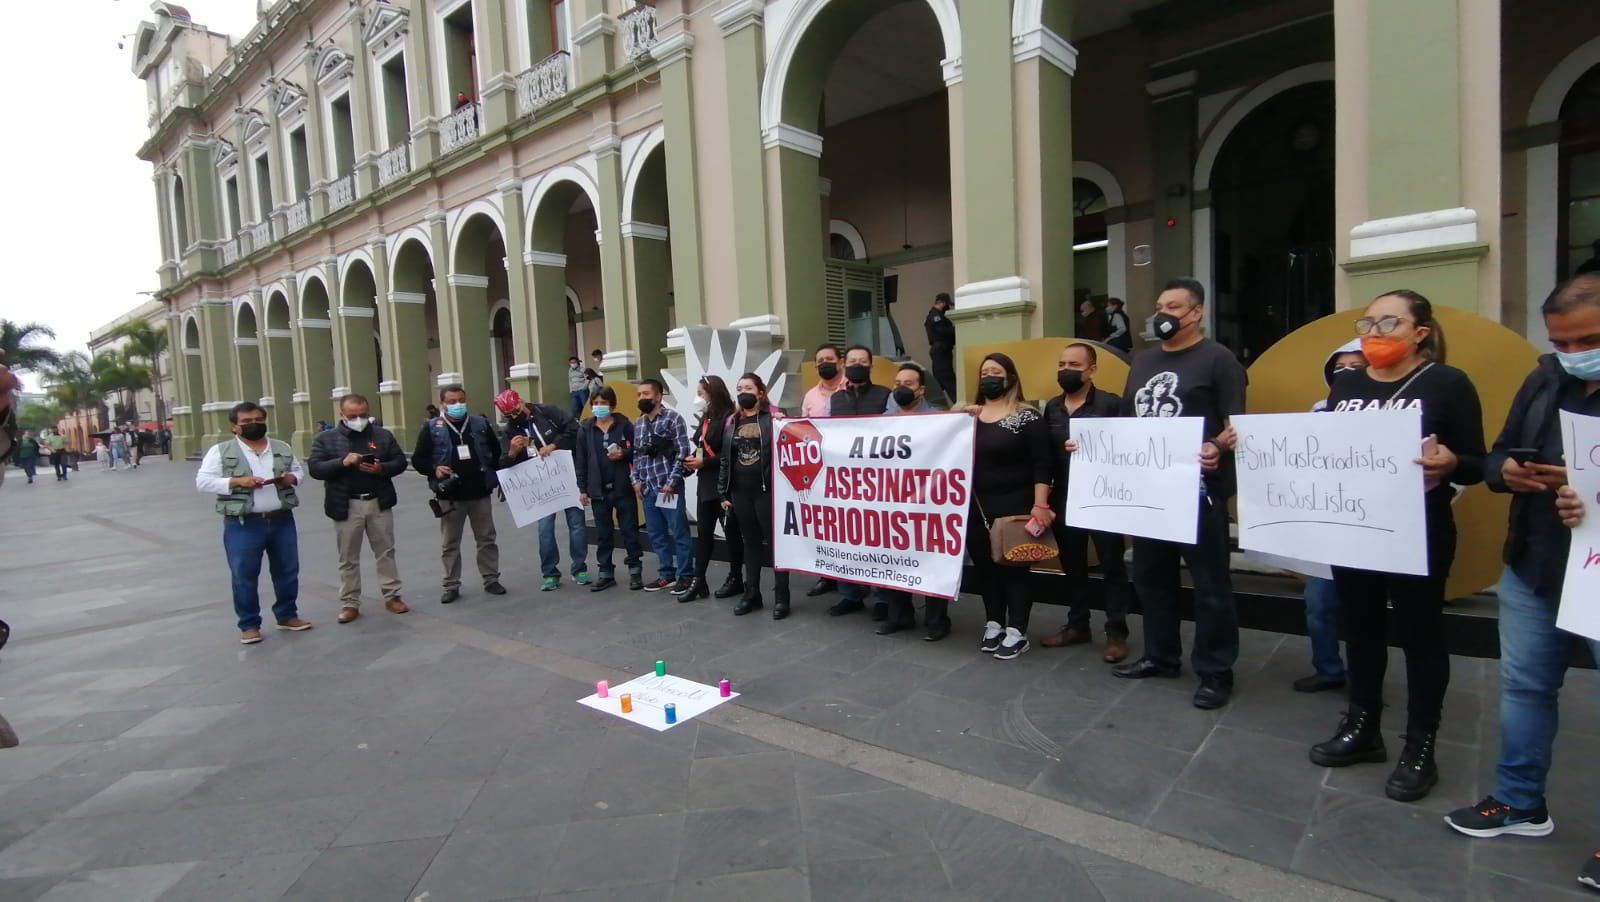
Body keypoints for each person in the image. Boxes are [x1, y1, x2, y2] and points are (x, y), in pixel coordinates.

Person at [1443, 275, 1600, 864]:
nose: (1574, 354)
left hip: (1597, 572)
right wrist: (1505, 471)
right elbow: (1500, 450)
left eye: (1587, 339)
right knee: (1526, 688)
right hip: (1534, 564)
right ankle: (1518, 802)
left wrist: (1590, 488)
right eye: (1561, 342)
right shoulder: (1545, 379)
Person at [1310, 289, 1484, 803]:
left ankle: (1419, 745)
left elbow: (1477, 460)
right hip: (1356, 527)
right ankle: (1362, 728)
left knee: (1420, 635)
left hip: (1419, 530)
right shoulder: (1348, 384)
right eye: (1368, 323)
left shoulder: (1448, 384)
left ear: (1420, 333)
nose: (1375, 334)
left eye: (1389, 323)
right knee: (1359, 628)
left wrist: (1452, 463)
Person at [1111, 278, 1246, 711]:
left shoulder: (1218, 360)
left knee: (1210, 585)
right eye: (1159, 305)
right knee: (1151, 579)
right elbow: (1130, 421)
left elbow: (1237, 425)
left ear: (1196, 312)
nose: (1163, 313)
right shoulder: (1143, 360)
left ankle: (1215, 670)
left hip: (1200, 492)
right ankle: (1160, 655)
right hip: (1150, 491)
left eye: (1173, 306)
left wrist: (1217, 447)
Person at [1040, 342, 1131, 662]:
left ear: (1092, 370)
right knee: (1073, 565)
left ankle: (1116, 630)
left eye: (1075, 365)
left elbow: (1130, 449)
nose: (1067, 370)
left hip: (1105, 497)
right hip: (1065, 497)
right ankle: (1078, 624)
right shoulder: (1051, 407)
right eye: (1062, 363)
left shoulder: (1111, 404)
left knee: (1111, 566)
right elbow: (1045, 457)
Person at [195, 402, 312, 644]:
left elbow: (299, 472)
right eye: (246, 422)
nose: (253, 424)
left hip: (281, 519)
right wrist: (238, 482)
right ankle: (249, 624)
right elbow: (203, 482)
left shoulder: (281, 447)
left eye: (258, 419)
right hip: (243, 523)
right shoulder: (221, 451)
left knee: (288, 570)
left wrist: (292, 478)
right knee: (243, 574)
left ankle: (287, 615)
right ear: (234, 426)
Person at [967, 353, 1054, 659]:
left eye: (996, 371)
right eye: (984, 372)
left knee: (1014, 569)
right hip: (975, 507)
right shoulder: (967, 417)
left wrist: (1040, 504)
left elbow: (1043, 464)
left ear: (1011, 378)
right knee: (985, 569)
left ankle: (1017, 629)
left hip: (1014, 505)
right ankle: (994, 623)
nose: (989, 376)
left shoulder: (1026, 417)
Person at [1292, 340, 1367, 693]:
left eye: (1356, 365)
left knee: (1365, 609)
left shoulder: (1393, 409)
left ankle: (1368, 676)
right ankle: (1328, 668)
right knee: (1319, 602)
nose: (1347, 373)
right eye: (1340, 368)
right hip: (1329, 525)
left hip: (1372, 526)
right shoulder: (1320, 410)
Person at [307, 393, 410, 624]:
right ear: (342, 415)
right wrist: (342, 462)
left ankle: (392, 595)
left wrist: (382, 468)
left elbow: (400, 462)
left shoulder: (382, 435)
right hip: (346, 504)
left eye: (363, 415)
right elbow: (315, 468)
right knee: (348, 556)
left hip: (378, 501)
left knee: (385, 551)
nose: (359, 419)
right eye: (353, 416)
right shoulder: (326, 438)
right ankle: (349, 602)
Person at [413, 385, 507, 605]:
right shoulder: (431, 428)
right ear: (442, 403)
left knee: (486, 538)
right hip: (450, 495)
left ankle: (491, 578)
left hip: (479, 491)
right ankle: (451, 584)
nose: (457, 405)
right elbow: (419, 459)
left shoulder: (480, 424)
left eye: (460, 400)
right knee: (450, 542)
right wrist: (434, 469)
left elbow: (495, 453)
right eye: (452, 401)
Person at [877, 363, 951, 639]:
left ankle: (937, 621)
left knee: (931, 558)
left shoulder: (938, 418)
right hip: (892, 499)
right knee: (895, 557)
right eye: (897, 383)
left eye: (908, 383)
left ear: (921, 389)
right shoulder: (882, 419)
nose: (901, 388)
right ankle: (900, 616)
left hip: (928, 501)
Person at [496, 389, 590, 591]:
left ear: (521, 401)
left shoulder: (546, 411)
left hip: (565, 474)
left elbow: (573, 428)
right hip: (540, 484)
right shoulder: (511, 430)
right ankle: (550, 572)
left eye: (515, 411)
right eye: (509, 415)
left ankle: (580, 567)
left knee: (577, 524)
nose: (514, 416)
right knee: (545, 529)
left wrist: (554, 445)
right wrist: (513, 451)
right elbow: (502, 463)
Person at [718, 373, 791, 619]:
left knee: (775, 545)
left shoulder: (773, 419)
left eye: (748, 387)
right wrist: (723, 491)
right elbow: (726, 459)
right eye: (739, 388)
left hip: (766, 491)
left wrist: (785, 424)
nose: (743, 392)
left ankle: (782, 597)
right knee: (749, 543)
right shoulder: (732, 422)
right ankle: (752, 594)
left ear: (761, 392)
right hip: (740, 491)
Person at [828, 345, 892, 618]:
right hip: (846, 480)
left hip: (878, 479)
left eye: (862, 361)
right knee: (846, 536)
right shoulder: (836, 399)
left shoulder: (884, 395)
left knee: (880, 538)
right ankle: (850, 594)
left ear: (870, 365)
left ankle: (883, 598)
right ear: (844, 365)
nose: (857, 365)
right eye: (852, 361)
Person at [681, 375, 745, 601]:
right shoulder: (707, 417)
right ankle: (699, 581)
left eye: (701, 393)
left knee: (731, 534)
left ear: (713, 393)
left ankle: (736, 578)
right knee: (703, 534)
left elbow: (731, 453)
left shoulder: (730, 418)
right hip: (705, 484)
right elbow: (701, 446)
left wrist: (704, 462)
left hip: (724, 485)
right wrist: (690, 463)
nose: (698, 398)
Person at [576, 386, 644, 592]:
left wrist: (624, 453)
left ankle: (635, 570)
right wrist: (582, 489)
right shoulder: (585, 429)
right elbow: (581, 460)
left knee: (629, 530)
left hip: (622, 487)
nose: (599, 407)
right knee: (603, 533)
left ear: (611, 404)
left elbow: (638, 450)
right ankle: (605, 572)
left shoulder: (624, 425)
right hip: (598, 490)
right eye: (595, 403)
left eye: (603, 403)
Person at [632, 378, 694, 591]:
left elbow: (682, 452)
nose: (642, 398)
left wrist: (672, 482)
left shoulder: (672, 419)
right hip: (648, 489)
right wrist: (636, 481)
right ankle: (666, 574)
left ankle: (685, 575)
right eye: (639, 394)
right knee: (657, 534)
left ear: (658, 396)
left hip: (669, 488)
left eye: (646, 394)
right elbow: (636, 455)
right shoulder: (638, 423)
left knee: (679, 532)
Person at [800, 343, 846, 598]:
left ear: (840, 362)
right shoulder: (810, 396)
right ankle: (827, 574)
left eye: (829, 359)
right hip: (820, 468)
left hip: (849, 468)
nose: (824, 363)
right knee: (825, 522)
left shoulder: (852, 388)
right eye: (820, 360)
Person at [925, 292, 958, 406]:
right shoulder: (936, 316)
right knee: (947, 379)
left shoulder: (938, 315)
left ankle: (934, 406)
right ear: (942, 303)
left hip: (943, 351)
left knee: (940, 382)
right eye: (947, 305)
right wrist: (957, 330)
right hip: (941, 351)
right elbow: (942, 331)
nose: (948, 307)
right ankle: (959, 404)